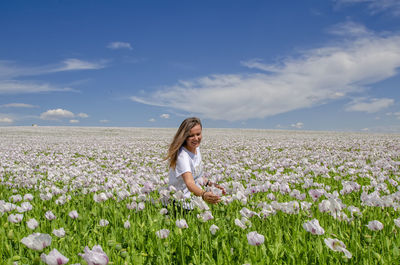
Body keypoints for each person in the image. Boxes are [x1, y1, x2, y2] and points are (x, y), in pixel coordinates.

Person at [166, 117, 225, 208]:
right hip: (180, 204)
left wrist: (212, 184)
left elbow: (197, 177)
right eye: (191, 135)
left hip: (194, 201)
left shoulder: (196, 149)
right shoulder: (182, 156)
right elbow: (190, 183)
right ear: (184, 137)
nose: (196, 138)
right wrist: (204, 194)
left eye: (198, 134)